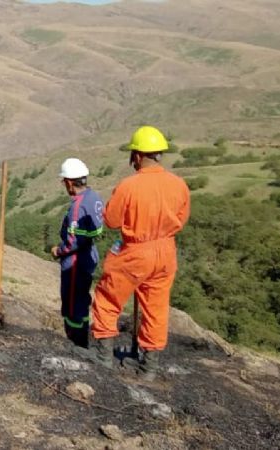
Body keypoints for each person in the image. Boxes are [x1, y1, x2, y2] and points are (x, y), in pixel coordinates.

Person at [90, 125, 191, 381]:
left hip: (135, 251)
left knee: (107, 299)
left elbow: (111, 221)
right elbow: (182, 217)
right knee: (156, 308)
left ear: (136, 156)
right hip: (166, 250)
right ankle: (149, 368)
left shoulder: (129, 185)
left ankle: (103, 358)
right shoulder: (178, 184)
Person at [50, 158, 104, 349]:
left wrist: (59, 250)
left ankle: (76, 343)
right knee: (82, 298)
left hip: (74, 260)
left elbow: (73, 241)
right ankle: (82, 338)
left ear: (69, 182)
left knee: (72, 302)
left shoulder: (77, 207)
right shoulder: (95, 198)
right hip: (89, 254)